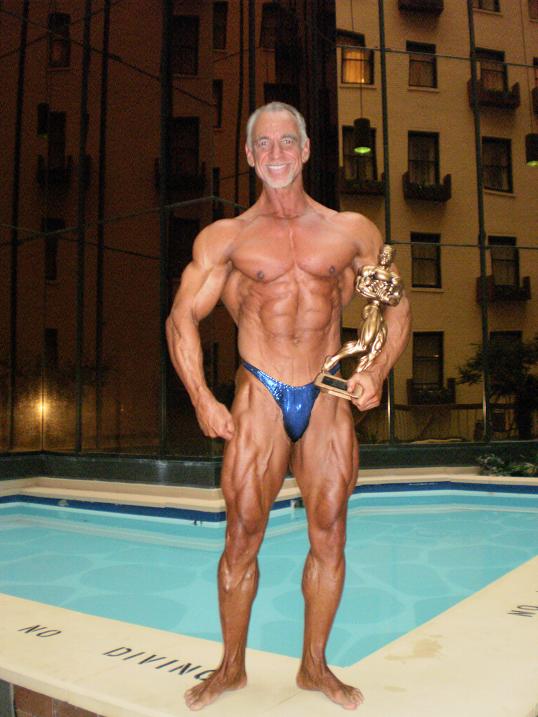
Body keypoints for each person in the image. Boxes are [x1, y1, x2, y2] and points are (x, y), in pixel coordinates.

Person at [166, 102, 411, 711]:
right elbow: (181, 318)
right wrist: (202, 398)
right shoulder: (227, 238)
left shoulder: (351, 231)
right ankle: (230, 668)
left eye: (286, 142)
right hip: (260, 393)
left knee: (330, 534)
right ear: (250, 156)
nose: (275, 153)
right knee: (242, 536)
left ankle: (314, 667)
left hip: (326, 394)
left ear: (304, 150)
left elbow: (397, 306)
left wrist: (376, 370)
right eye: (263, 144)